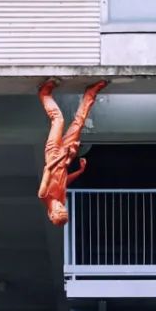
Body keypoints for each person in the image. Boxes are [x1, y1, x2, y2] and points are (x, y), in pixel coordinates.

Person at [37, 79, 106, 226]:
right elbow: (64, 180)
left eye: (59, 210)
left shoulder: (44, 195)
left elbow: (48, 168)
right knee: (79, 123)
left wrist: (62, 156)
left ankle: (44, 93)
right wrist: (80, 170)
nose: (62, 206)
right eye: (64, 209)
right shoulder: (61, 199)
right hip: (64, 157)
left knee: (58, 120)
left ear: (51, 214)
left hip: (53, 154)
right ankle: (91, 93)